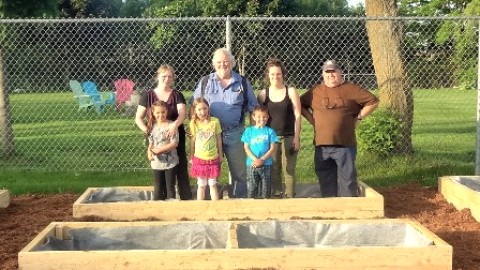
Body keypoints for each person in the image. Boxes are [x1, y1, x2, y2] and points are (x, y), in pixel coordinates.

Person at [300, 60, 379, 197]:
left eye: (333, 71)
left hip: (345, 144)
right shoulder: (315, 92)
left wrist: (358, 117)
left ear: (340, 72)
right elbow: (299, 104)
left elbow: (373, 101)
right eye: (327, 72)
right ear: (323, 74)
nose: (331, 75)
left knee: (347, 179)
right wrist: (311, 119)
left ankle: (348, 207)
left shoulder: (351, 89)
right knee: (325, 178)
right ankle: (330, 205)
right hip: (322, 145)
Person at [191, 48, 258, 198]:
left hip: (235, 134)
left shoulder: (243, 83)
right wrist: (196, 132)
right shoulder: (205, 82)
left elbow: (253, 109)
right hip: (209, 136)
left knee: (240, 172)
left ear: (232, 63)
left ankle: (239, 200)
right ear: (214, 64)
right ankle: (209, 205)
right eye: (219, 62)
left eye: (226, 61)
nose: (223, 65)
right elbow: (194, 108)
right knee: (208, 172)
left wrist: (253, 134)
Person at [135, 64, 192, 200]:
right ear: (158, 77)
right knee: (159, 173)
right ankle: (160, 200)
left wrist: (174, 126)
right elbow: (138, 118)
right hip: (156, 139)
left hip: (174, 137)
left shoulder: (177, 95)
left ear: (173, 78)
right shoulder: (147, 95)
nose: (167, 79)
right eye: (164, 76)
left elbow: (182, 114)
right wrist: (148, 132)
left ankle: (185, 199)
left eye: (170, 76)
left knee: (180, 168)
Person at [257, 58, 302, 198]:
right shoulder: (263, 94)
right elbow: (257, 118)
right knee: (274, 169)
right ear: (268, 76)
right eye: (272, 74)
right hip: (271, 139)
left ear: (283, 74)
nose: (275, 77)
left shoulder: (291, 91)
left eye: (278, 74)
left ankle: (290, 196)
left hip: (289, 136)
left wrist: (296, 137)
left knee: (289, 169)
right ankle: (276, 195)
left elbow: (298, 115)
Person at [189, 97, 223, 201]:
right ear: (195, 110)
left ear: (208, 108)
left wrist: (220, 155)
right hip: (199, 159)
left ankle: (215, 207)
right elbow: (192, 141)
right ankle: (200, 207)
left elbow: (218, 139)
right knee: (201, 185)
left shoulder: (215, 122)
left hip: (212, 158)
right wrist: (191, 156)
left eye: (205, 108)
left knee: (212, 184)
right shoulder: (193, 123)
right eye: (199, 109)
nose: (202, 112)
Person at [241, 105, 278, 199]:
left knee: (266, 187)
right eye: (259, 117)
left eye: (264, 116)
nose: (262, 119)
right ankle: (252, 206)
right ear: (253, 117)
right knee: (252, 187)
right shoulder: (249, 131)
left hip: (266, 163)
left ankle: (266, 205)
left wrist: (262, 159)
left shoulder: (270, 131)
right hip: (252, 164)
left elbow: (272, 148)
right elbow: (246, 148)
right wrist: (255, 160)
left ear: (268, 117)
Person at [146, 101, 179, 200]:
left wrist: (160, 150)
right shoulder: (151, 126)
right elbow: (151, 143)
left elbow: (174, 143)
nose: (161, 115)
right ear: (153, 113)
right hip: (156, 162)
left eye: (163, 112)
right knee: (158, 186)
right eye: (158, 113)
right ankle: (158, 209)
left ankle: (171, 208)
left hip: (170, 162)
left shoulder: (172, 125)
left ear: (167, 111)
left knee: (170, 187)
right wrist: (149, 152)